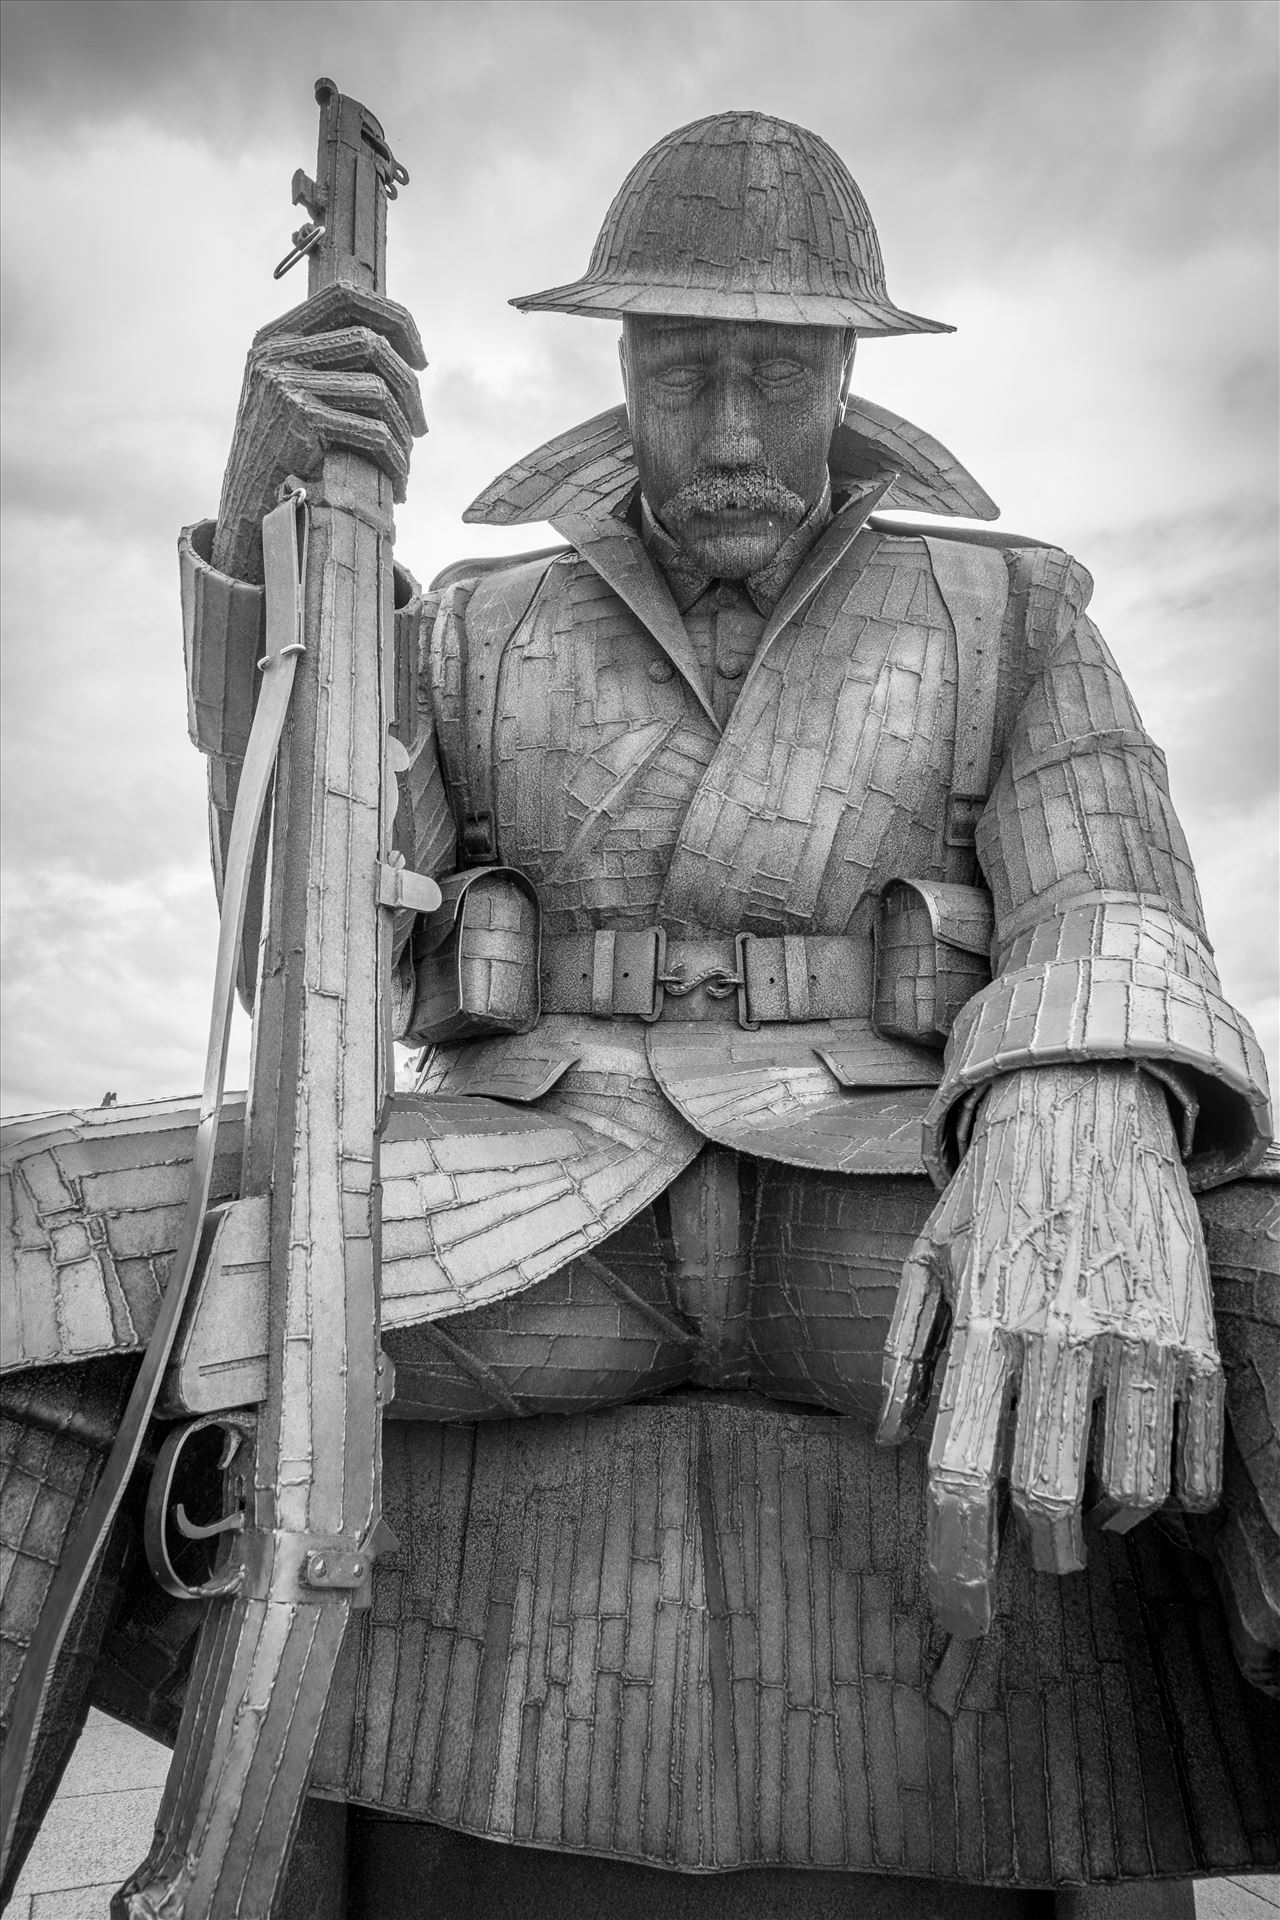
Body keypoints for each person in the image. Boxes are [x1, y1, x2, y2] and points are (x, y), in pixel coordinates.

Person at [3, 110, 1276, 1902]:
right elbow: (308, 935)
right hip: (527, 1205)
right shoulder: (468, 622)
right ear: (621, 366)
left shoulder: (1010, 609)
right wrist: (267, 550)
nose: (735, 428)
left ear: (848, 366)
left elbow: (1116, 897)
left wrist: (1083, 1119)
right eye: (687, 376)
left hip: (889, 1199)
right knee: (33, 1235)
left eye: (777, 371)